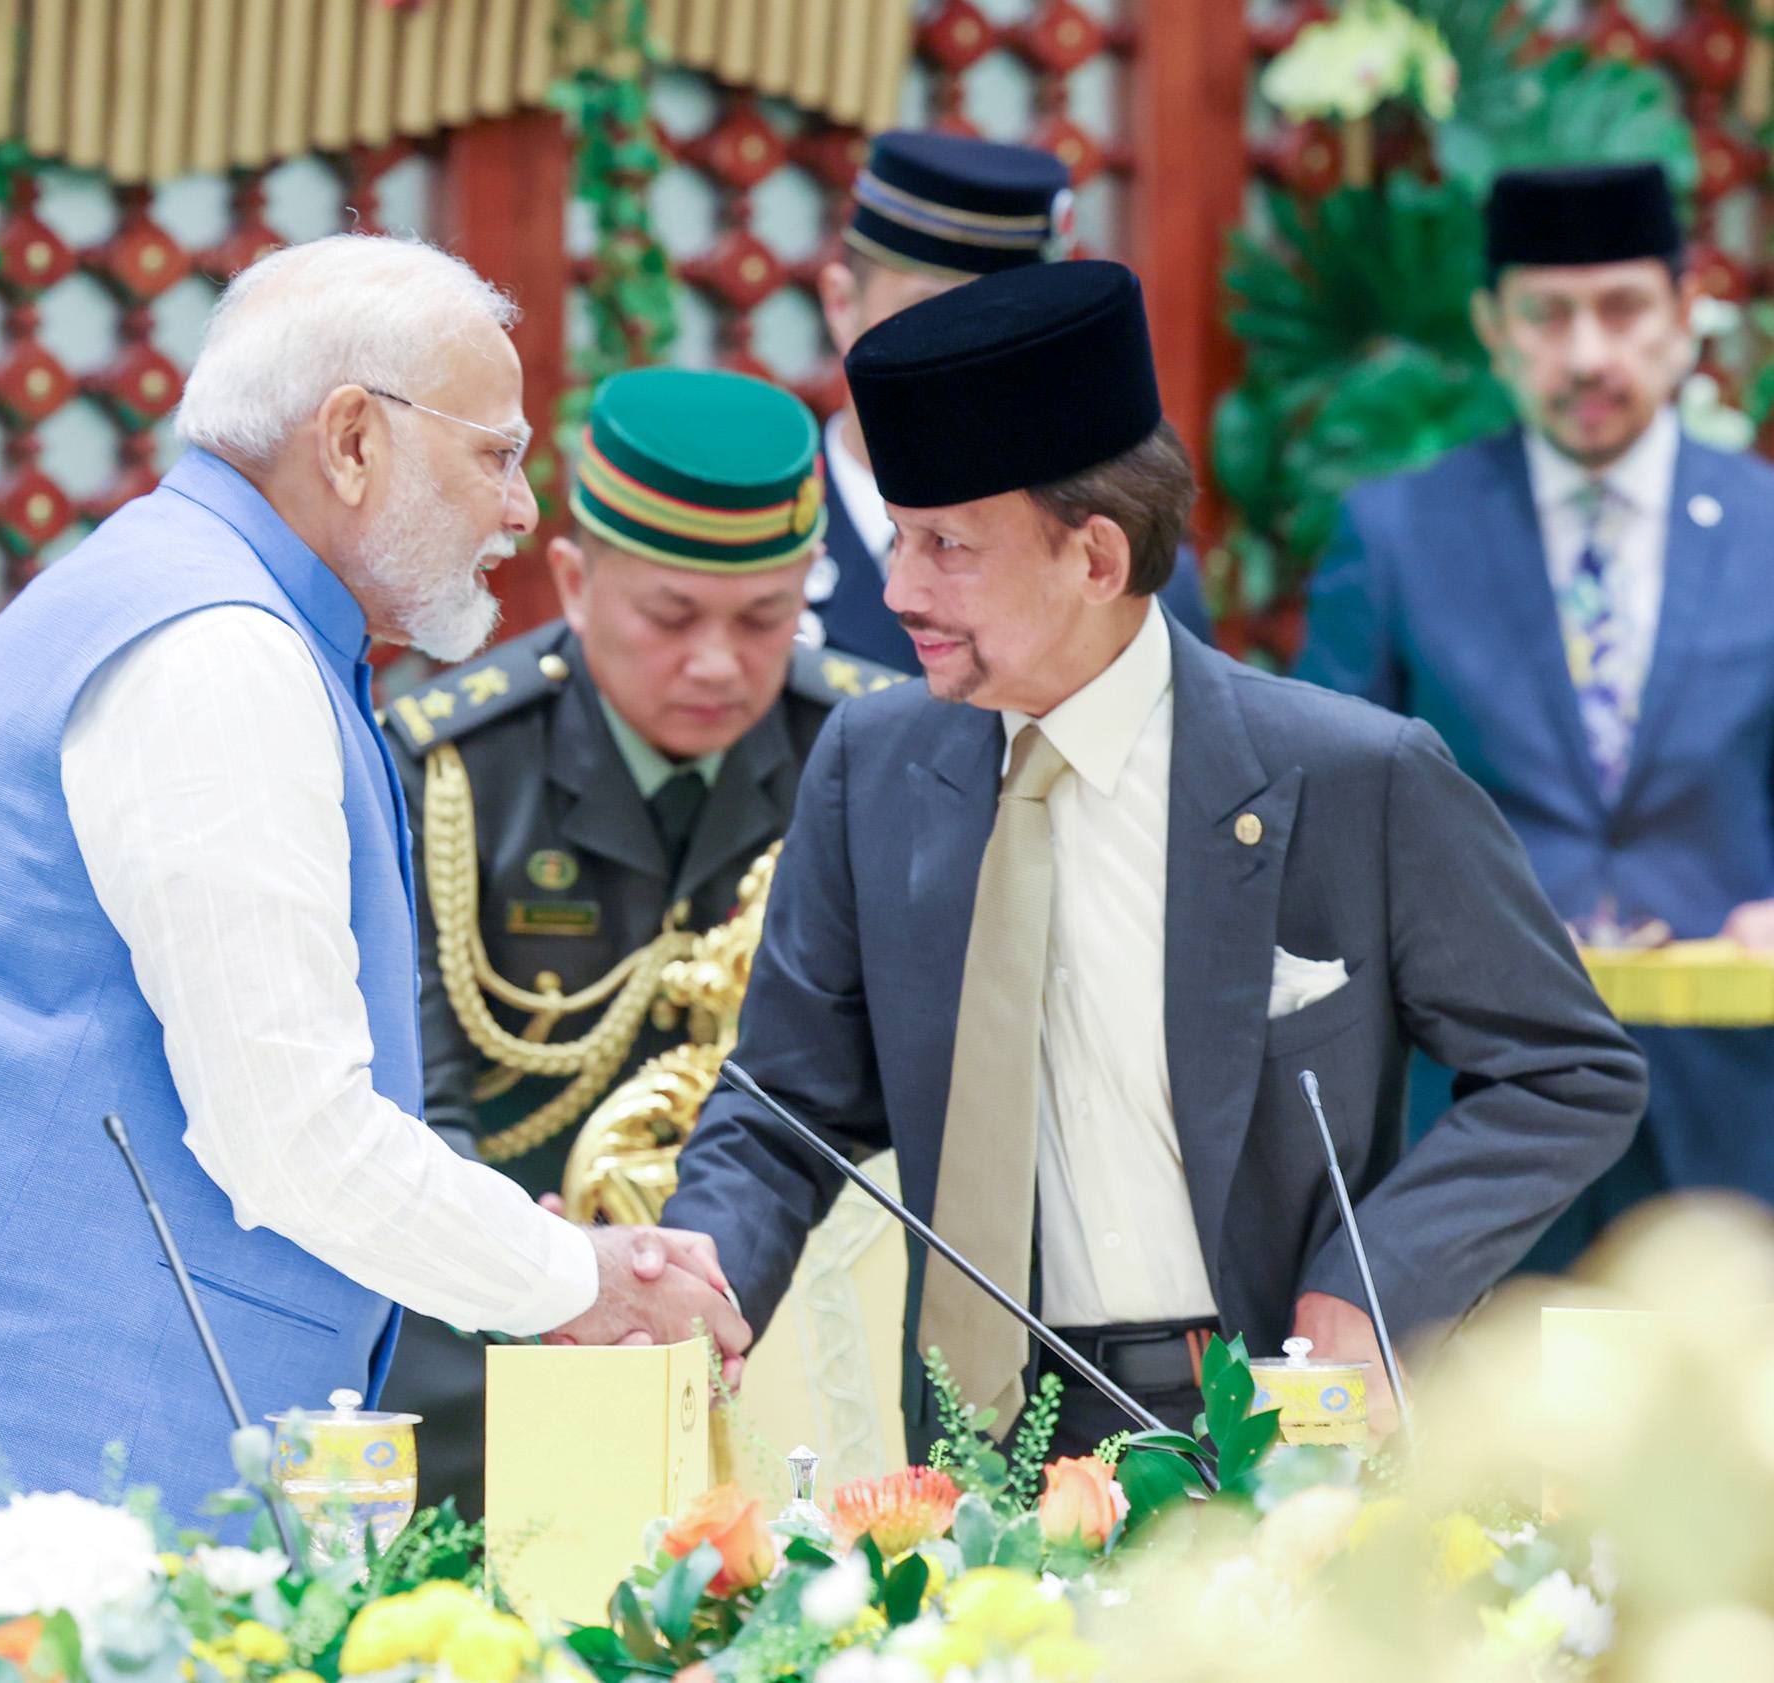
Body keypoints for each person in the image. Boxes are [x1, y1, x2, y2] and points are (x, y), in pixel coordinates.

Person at [0, 236, 747, 1552]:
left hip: (30, 1428)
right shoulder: (219, 649)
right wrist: (567, 1278)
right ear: (353, 440)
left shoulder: (212, 603)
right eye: (494, 453)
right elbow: (290, 1132)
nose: (523, 508)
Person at [658, 259, 1646, 1459]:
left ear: (1095, 560)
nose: (899, 590)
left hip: (1281, 1426)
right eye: (898, 541)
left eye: (946, 549)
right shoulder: (871, 763)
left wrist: (1375, 1281)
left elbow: (1568, 1072)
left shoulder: (1352, 776)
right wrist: (685, 1290)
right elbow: (782, 1109)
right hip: (982, 1452)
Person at [379, 365, 906, 1514]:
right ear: (573, 581)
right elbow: (421, 1097)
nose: (717, 663)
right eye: (671, 618)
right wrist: (548, 1277)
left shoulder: (867, 755)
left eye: (764, 618)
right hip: (504, 1330)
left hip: (803, 1324)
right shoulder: (452, 769)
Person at [1298, 162, 1774, 1269]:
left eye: (1620, 308)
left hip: (1737, 1106)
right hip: (1480, 1116)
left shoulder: (1767, 527)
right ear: (1491, 326)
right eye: (1546, 316)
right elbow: (1320, 826)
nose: (1587, 355)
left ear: (1681, 309)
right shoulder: (1396, 534)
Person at [810, 130, 1213, 672]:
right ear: (841, 306)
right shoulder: (757, 543)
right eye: (930, 316)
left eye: (1010, 331)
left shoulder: (1120, 561)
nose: (973, 360)